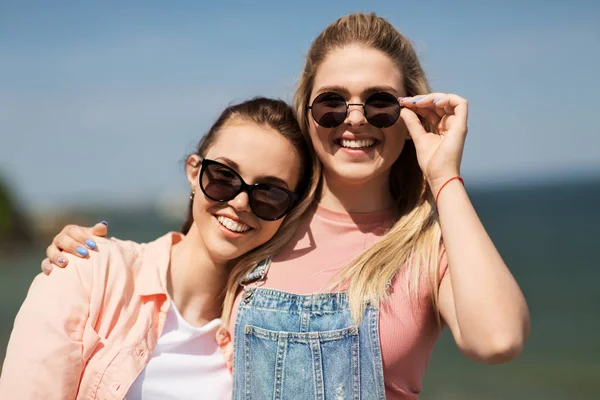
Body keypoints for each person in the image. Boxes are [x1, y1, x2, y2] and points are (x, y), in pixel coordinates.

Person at [37, 13, 530, 400]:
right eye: (332, 103)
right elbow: (171, 284)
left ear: (409, 116)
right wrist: (88, 260)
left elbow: (498, 340)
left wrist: (443, 175)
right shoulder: (265, 221)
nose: (354, 120)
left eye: (380, 103)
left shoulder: (428, 249)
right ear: (308, 112)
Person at [0, 98, 317, 400]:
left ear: (290, 211)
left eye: (269, 194)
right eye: (224, 177)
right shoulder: (88, 272)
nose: (240, 202)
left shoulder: (268, 333)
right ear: (194, 172)